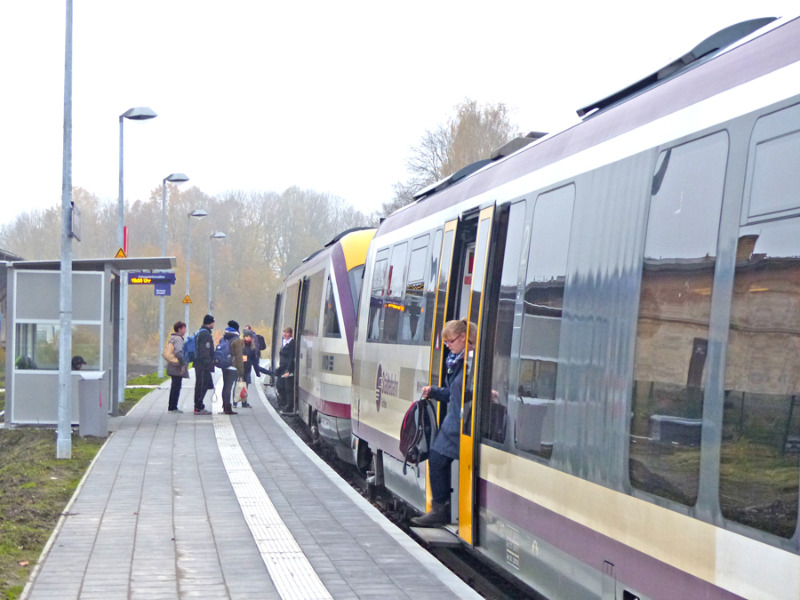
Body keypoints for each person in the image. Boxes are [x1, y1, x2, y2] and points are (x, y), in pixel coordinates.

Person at [410, 318, 477, 527]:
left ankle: (441, 509)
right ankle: (441, 507)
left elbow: (470, 391)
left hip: (463, 423)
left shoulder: (471, 362)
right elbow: (456, 393)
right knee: (437, 458)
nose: (447, 346)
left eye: (450, 341)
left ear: (463, 338)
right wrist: (435, 391)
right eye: (446, 342)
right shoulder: (457, 361)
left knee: (437, 459)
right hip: (455, 421)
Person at [255, 326, 295, 412]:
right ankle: (283, 403)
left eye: (287, 332)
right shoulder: (284, 342)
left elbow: (291, 358)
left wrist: (288, 370)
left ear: (290, 334)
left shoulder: (292, 343)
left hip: (288, 369)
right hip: (282, 368)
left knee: (287, 387)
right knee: (280, 385)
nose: (285, 334)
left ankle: (288, 405)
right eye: (284, 332)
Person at [193, 314, 216, 415]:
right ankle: (198, 407)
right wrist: (208, 363)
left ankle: (199, 405)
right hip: (202, 365)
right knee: (202, 385)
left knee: (202, 384)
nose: (214, 324)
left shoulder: (199, 332)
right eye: (213, 322)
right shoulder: (206, 335)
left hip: (198, 363)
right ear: (210, 323)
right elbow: (205, 350)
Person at [164, 321, 188, 413]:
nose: (185, 330)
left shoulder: (172, 338)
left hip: (172, 365)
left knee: (174, 386)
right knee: (176, 387)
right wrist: (183, 362)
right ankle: (173, 407)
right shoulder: (178, 339)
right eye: (184, 328)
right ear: (180, 329)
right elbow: (178, 352)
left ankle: (172, 406)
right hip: (176, 366)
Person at [220, 320, 244, 415]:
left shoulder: (224, 337)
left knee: (225, 386)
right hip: (232, 367)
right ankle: (227, 408)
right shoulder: (236, 340)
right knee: (228, 388)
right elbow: (239, 357)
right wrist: (241, 371)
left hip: (224, 366)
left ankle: (225, 406)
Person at [236, 328, 259, 408]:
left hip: (247, 368)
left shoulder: (252, 347)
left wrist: (257, 372)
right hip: (240, 368)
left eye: (250, 336)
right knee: (239, 384)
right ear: (244, 337)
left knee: (245, 386)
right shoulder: (240, 345)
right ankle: (235, 402)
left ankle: (244, 402)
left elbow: (254, 360)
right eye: (248, 336)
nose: (249, 338)